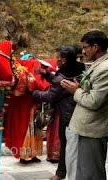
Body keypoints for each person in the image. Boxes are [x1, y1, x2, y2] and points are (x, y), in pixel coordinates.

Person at [32, 45, 85, 180]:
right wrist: (47, 75)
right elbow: (57, 81)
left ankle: (61, 173)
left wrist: (33, 93)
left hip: (67, 115)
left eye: (59, 58)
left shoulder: (62, 76)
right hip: (80, 110)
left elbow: (50, 96)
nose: (57, 60)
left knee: (66, 145)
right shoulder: (81, 68)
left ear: (65, 60)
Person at [61, 30, 108, 180]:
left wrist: (76, 91)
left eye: (85, 47)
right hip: (85, 127)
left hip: (92, 130)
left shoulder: (105, 68)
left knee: (91, 173)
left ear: (95, 47)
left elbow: (94, 101)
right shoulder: (98, 64)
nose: (83, 51)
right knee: (82, 171)